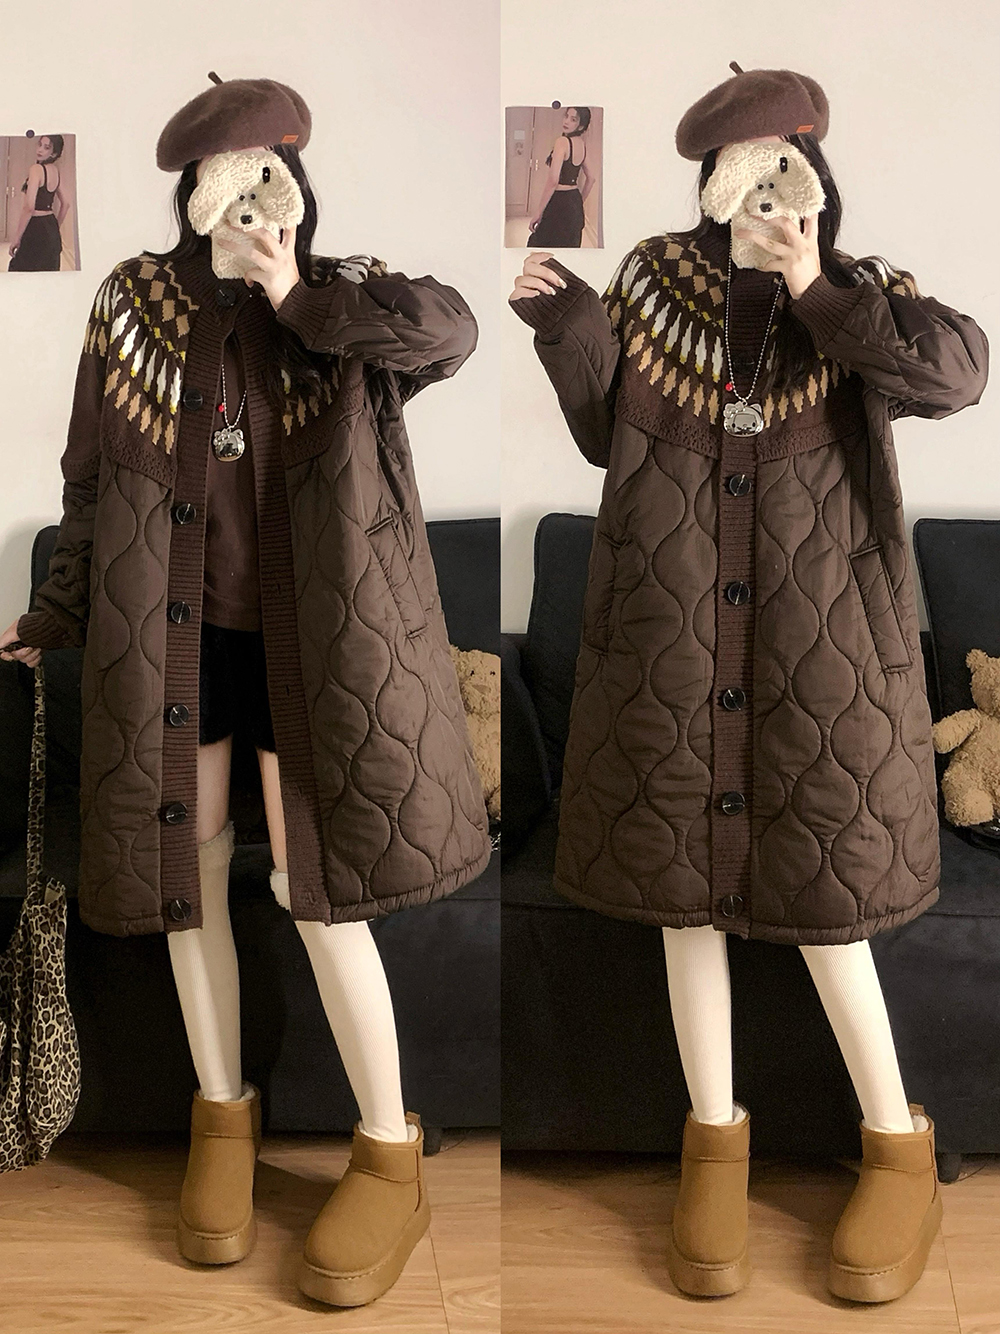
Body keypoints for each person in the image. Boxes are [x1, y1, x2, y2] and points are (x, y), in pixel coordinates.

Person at [1, 73, 491, 1307]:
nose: (255, 202)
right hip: (168, 644)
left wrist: (294, 292)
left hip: (319, 649)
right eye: (231, 183)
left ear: (298, 185)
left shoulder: (344, 299)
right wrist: (57, 610)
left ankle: (387, 1147)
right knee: (191, 878)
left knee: (318, 894)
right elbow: (87, 480)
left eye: (274, 177)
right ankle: (221, 1114)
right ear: (191, 195)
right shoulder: (133, 305)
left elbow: (451, 334)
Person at [508, 62, 988, 1304]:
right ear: (715, 181)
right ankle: (711, 1144)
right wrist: (568, 330)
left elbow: (956, 378)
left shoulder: (863, 291)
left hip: (821, 657)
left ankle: (898, 1143)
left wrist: (816, 285)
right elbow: (606, 434)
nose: (772, 191)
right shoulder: (653, 282)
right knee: (686, 907)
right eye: (751, 171)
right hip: (670, 649)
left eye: (790, 167)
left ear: (815, 174)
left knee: (832, 914)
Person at [526, 106, 593, 248]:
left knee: (542, 246)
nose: (566, 121)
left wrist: (538, 212)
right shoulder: (582, 144)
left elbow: (553, 180)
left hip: (559, 202)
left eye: (573, 119)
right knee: (568, 248)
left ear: (581, 126)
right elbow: (591, 179)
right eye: (566, 116)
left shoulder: (562, 142)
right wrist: (578, 202)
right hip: (574, 201)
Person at [8, 134, 66, 271]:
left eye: (46, 147)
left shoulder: (36, 169)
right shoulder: (55, 171)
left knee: (20, 271)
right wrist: (55, 227)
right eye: (40, 145)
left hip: (35, 228)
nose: (40, 150)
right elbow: (66, 204)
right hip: (51, 227)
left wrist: (16, 238)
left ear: (54, 153)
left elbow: (29, 207)